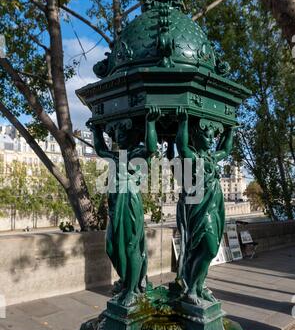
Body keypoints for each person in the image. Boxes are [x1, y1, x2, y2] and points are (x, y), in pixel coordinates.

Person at [91, 109, 160, 306]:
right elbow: (100, 149)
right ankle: (128, 280)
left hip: (129, 202)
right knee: (112, 247)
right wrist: (96, 130)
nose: (119, 134)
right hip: (115, 205)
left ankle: (132, 288)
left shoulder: (139, 153)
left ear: (133, 134)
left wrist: (151, 123)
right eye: (117, 131)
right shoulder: (116, 155)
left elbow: (151, 148)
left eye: (124, 131)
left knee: (131, 246)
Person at [176, 108, 234, 304]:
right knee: (208, 250)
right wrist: (183, 121)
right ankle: (191, 289)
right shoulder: (192, 157)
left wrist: (231, 130)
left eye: (212, 138)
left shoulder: (211, 158)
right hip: (201, 208)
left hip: (215, 206)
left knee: (205, 251)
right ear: (196, 135)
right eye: (207, 137)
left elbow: (225, 149)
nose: (211, 141)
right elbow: (181, 146)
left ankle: (199, 287)